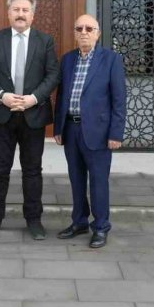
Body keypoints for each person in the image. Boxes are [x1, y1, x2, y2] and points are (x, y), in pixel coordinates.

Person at [0, 0, 60, 240]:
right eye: (16, 9)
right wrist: (2, 95)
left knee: (33, 170)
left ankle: (34, 220)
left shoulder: (44, 41)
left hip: (33, 114)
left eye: (25, 10)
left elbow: (52, 74)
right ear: (9, 13)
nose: (21, 14)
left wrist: (33, 98)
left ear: (33, 15)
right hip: (3, 113)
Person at [53, 14, 126, 249]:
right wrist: (58, 127)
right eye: (79, 28)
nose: (84, 32)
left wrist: (116, 134)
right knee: (76, 180)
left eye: (89, 28)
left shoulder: (111, 59)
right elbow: (62, 95)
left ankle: (101, 226)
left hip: (99, 132)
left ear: (97, 33)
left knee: (98, 181)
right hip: (71, 129)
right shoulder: (67, 60)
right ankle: (79, 222)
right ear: (74, 33)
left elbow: (119, 99)